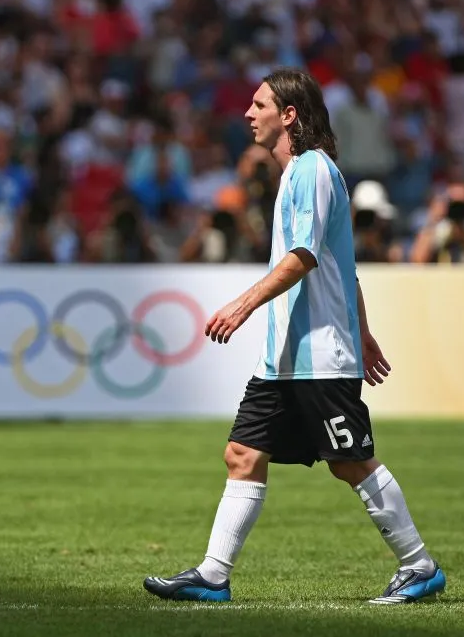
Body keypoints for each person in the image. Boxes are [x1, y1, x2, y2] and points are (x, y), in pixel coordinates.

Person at [143, 69, 446, 605]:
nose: (247, 113)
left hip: (319, 357)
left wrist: (243, 304)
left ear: (289, 115)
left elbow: (305, 257)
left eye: (258, 104)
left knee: (349, 462)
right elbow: (342, 266)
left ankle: (419, 566)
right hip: (284, 357)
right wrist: (366, 330)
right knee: (241, 452)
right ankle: (213, 575)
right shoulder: (296, 175)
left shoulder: (311, 170)